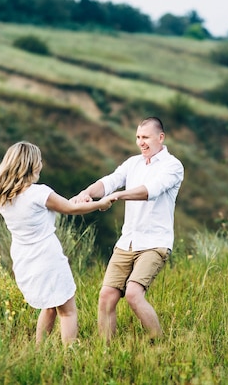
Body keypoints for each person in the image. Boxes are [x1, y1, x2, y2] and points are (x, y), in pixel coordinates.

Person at [0, 141, 114, 345]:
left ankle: (39, 352)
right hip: (48, 258)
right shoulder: (39, 193)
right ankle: (69, 357)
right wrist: (100, 203)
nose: (41, 165)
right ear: (31, 165)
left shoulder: (4, 198)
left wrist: (74, 202)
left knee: (49, 306)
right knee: (68, 312)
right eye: (39, 161)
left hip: (24, 260)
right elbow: (69, 209)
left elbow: (61, 206)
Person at [72, 117, 184, 341]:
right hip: (127, 242)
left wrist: (117, 196)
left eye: (145, 138)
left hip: (155, 243)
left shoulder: (173, 166)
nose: (141, 142)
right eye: (138, 138)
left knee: (133, 294)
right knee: (106, 296)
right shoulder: (133, 163)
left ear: (160, 138)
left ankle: (161, 345)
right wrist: (87, 193)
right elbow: (109, 181)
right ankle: (106, 352)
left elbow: (149, 191)